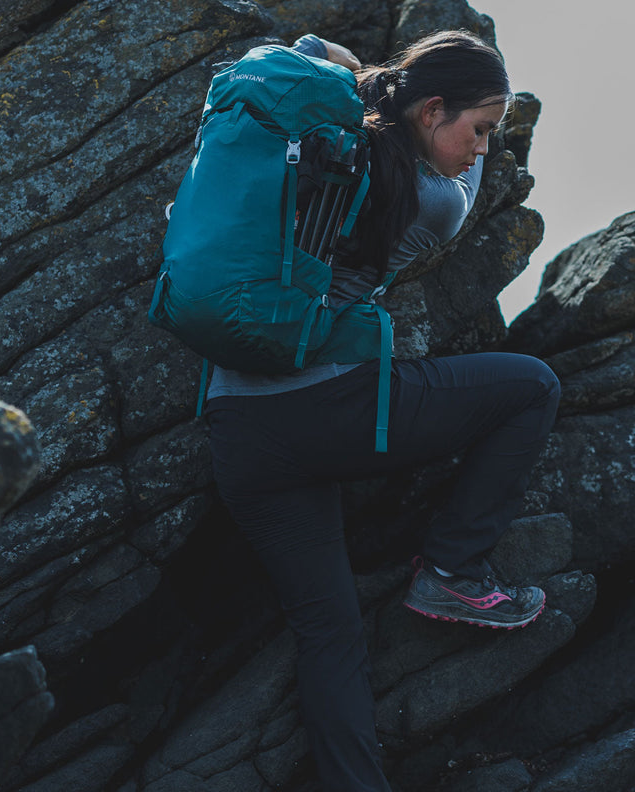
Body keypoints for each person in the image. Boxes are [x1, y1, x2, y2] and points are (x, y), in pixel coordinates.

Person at [204, 30, 561, 792]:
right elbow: (463, 192)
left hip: (236, 429)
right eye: (479, 130)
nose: (481, 149)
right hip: (324, 411)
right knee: (532, 386)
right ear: (433, 109)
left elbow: (296, 45)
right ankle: (455, 570)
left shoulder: (314, 147)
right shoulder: (430, 197)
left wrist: (367, 75)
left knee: (328, 634)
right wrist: (402, 93)